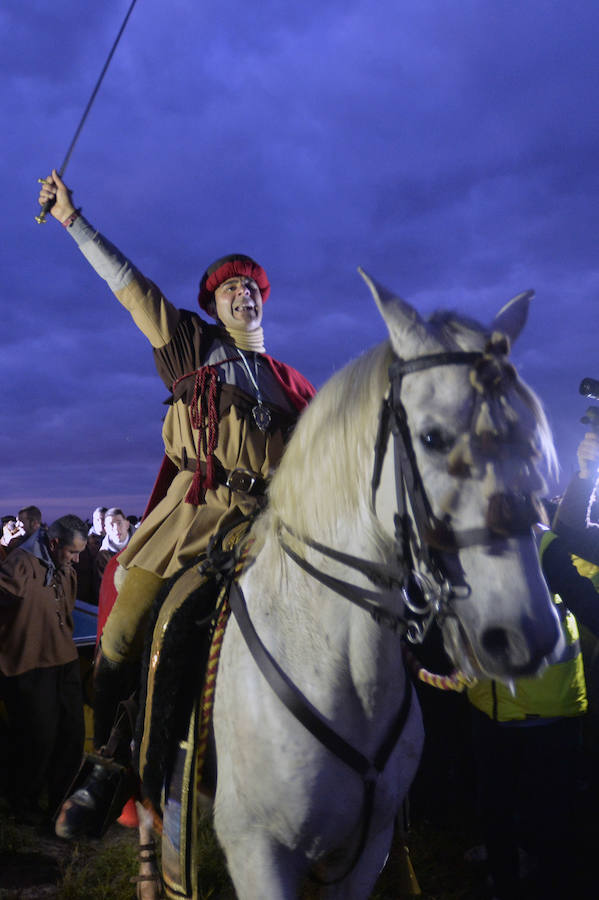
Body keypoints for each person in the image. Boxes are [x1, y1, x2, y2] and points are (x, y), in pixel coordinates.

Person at [38, 170, 316, 839]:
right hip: (195, 521)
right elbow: (131, 288)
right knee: (125, 618)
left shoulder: (296, 385)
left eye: (250, 288)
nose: (242, 296)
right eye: (229, 289)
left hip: (272, 526)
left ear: (262, 303)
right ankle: (108, 764)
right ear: (214, 305)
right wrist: (75, 221)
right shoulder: (191, 347)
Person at [0, 515, 87, 825]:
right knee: (39, 739)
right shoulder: (19, 565)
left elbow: (66, 610)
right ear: (53, 544)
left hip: (65, 661)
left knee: (73, 735)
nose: (76, 559)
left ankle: (61, 801)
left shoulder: (66, 570)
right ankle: (22, 803)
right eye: (72, 552)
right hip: (29, 665)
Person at [94, 507, 135, 594]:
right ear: (106, 529)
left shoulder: (142, 544)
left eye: (119, 523)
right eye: (111, 525)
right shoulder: (103, 556)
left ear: (127, 524)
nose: (116, 528)